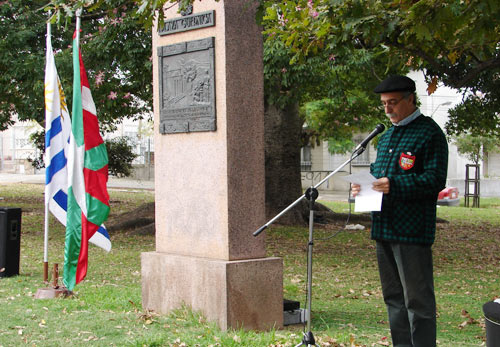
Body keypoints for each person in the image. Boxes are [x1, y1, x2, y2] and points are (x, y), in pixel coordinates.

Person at [351, 75, 448, 347]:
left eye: (393, 102)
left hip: (412, 231)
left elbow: (433, 180)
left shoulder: (429, 133)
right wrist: (364, 187)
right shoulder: (387, 135)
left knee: (417, 301)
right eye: (383, 104)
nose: (387, 109)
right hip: (383, 227)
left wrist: (393, 185)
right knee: (393, 299)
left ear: (410, 100)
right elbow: (379, 175)